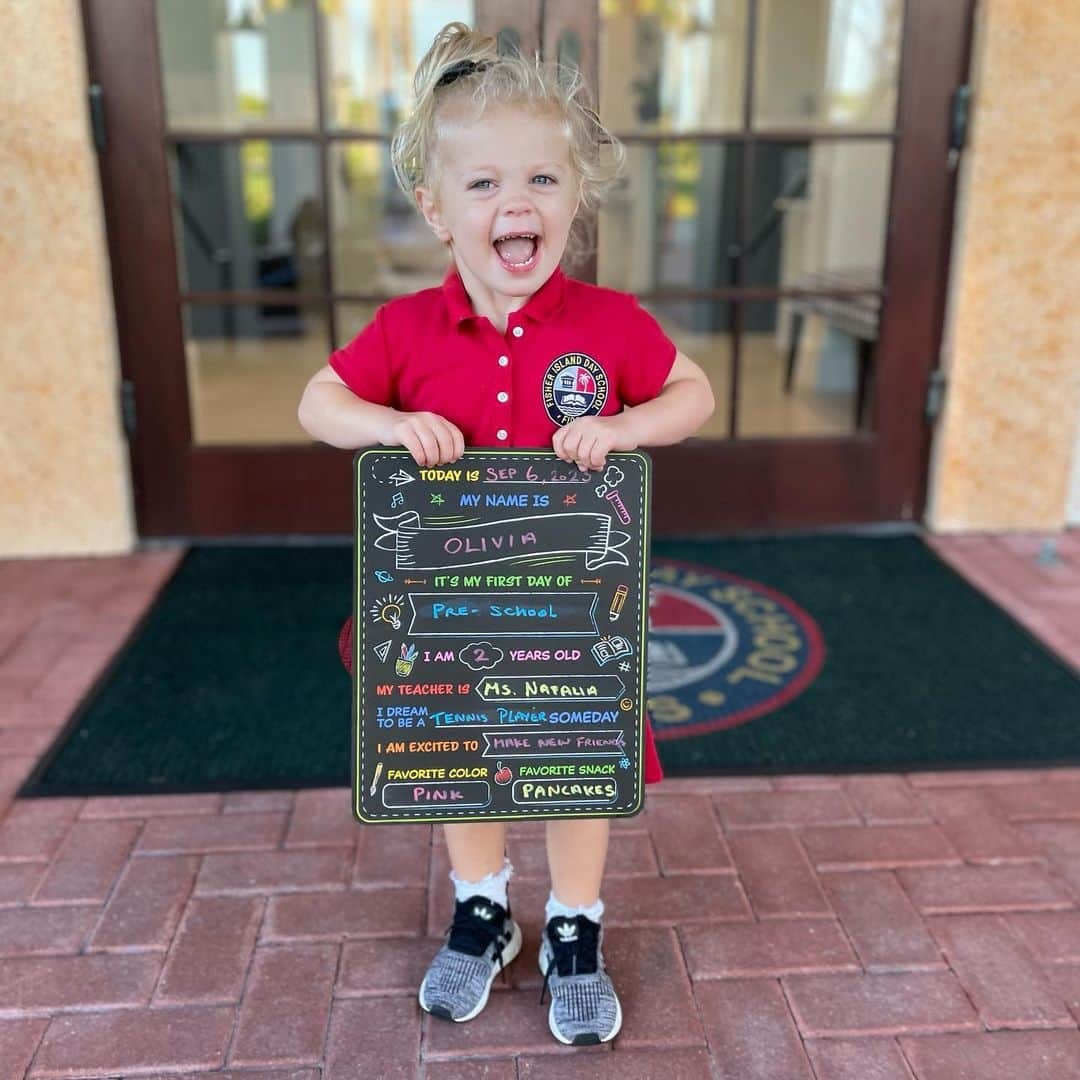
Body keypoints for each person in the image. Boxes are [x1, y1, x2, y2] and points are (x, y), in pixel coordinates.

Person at [297, 22, 714, 1046]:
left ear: (574, 202)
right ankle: (483, 907)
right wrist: (389, 423)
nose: (514, 203)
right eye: (482, 186)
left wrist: (623, 426)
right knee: (459, 756)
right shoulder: (405, 333)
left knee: (575, 761)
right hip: (449, 615)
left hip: (573, 610)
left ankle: (576, 923)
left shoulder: (610, 326)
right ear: (439, 212)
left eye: (539, 179)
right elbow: (317, 401)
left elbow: (694, 392)